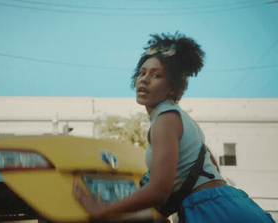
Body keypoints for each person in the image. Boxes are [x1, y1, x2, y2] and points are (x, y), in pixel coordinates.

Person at [73, 32, 275, 222]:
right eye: (142, 73)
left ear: (172, 87)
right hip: (232, 204)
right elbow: (211, 167)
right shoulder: (183, 120)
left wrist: (102, 209)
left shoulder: (165, 119)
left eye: (156, 75)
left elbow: (159, 191)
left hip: (213, 212)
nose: (144, 79)